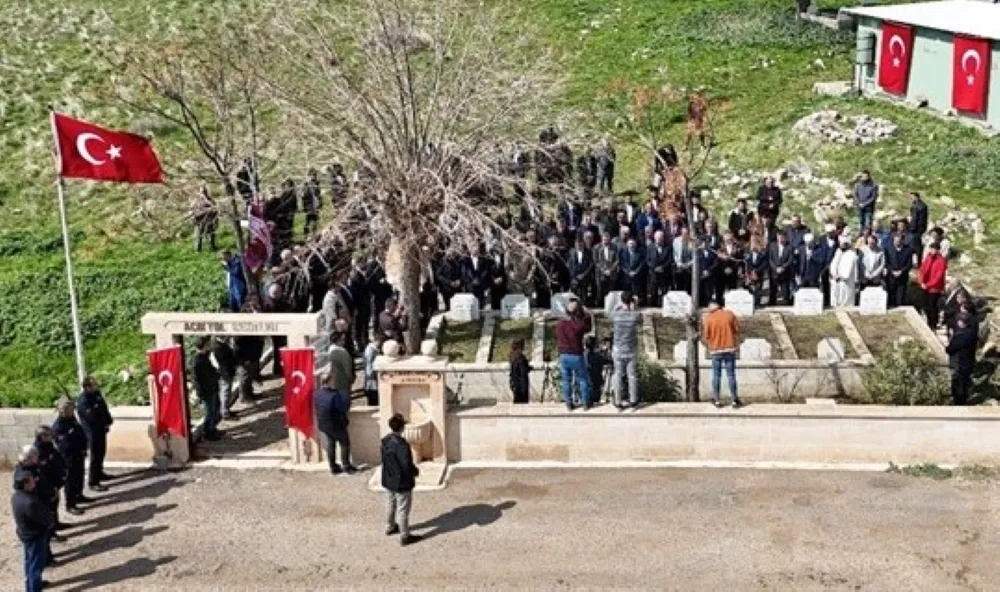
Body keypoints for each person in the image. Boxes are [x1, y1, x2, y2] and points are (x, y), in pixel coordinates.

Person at [381, 413, 422, 546]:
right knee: (403, 509)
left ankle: (390, 527)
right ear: (402, 427)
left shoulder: (385, 440)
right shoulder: (402, 445)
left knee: (390, 504)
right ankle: (405, 536)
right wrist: (414, 472)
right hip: (401, 482)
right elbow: (406, 465)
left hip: (389, 479)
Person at [12, 465, 53, 592]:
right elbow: (43, 518)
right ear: (25, 484)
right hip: (35, 536)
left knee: (29, 562)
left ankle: (30, 585)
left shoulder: (16, 496)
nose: (34, 481)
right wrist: (50, 521)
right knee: (36, 566)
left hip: (25, 535)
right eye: (31, 480)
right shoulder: (30, 502)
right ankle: (34, 588)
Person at [314, 372, 356, 475]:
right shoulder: (334, 395)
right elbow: (343, 407)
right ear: (330, 381)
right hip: (336, 424)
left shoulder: (317, 394)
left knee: (331, 444)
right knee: (344, 444)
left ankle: (333, 467)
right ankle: (346, 465)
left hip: (324, 424)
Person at [555, 297, 593, 411]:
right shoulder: (578, 326)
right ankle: (585, 402)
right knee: (582, 379)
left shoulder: (559, 324)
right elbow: (588, 327)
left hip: (563, 355)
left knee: (566, 380)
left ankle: (568, 403)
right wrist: (587, 312)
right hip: (576, 354)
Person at [702, 301, 741, 408]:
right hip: (730, 348)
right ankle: (734, 400)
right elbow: (736, 330)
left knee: (716, 375)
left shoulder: (708, 318)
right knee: (731, 374)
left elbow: (707, 335)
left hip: (715, 350)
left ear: (711, 307)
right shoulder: (729, 314)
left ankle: (717, 400)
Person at [76, 377, 113, 492]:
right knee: (95, 456)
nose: (97, 386)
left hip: (101, 429)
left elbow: (103, 408)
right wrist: (103, 423)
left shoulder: (96, 394)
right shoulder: (84, 400)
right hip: (92, 432)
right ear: (87, 387)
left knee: (101, 452)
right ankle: (93, 482)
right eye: (94, 384)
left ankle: (100, 473)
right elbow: (92, 417)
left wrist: (108, 421)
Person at [52, 399, 87, 516]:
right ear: (63, 411)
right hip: (68, 457)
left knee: (79, 476)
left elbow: (80, 433)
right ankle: (70, 504)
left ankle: (79, 495)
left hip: (78, 455)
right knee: (70, 481)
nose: (73, 411)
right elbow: (64, 444)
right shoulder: (58, 427)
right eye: (70, 410)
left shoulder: (72, 420)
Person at [609, 292, 641, 410]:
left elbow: (610, 314)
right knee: (632, 375)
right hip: (631, 350)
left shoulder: (616, 315)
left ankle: (618, 400)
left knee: (618, 375)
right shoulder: (634, 316)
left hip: (618, 349)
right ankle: (633, 400)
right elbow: (640, 318)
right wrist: (634, 307)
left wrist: (620, 305)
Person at [193, 336, 223, 441]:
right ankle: (208, 433)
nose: (210, 346)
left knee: (214, 410)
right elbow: (200, 379)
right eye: (208, 344)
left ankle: (212, 428)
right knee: (209, 412)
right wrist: (216, 374)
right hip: (207, 391)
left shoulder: (205, 357)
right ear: (205, 346)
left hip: (212, 388)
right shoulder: (199, 362)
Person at [945, 313, 977, 405]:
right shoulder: (972, 332)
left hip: (959, 363)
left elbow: (950, 349)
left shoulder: (961, 335)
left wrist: (951, 339)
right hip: (968, 361)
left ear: (961, 322)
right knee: (965, 383)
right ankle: (964, 399)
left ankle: (959, 402)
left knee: (958, 384)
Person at [918, 242, 948, 330]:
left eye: (934, 249)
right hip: (925, 286)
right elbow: (922, 269)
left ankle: (933, 324)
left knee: (933, 306)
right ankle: (928, 322)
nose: (932, 251)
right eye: (931, 249)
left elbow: (939, 276)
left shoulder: (941, 260)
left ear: (938, 250)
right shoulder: (928, 257)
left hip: (935, 288)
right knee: (926, 306)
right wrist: (921, 282)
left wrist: (928, 285)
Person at [211, 336, 239, 420]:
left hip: (227, 371)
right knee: (225, 393)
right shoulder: (219, 347)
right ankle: (225, 413)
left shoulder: (221, 345)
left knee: (227, 392)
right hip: (225, 373)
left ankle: (227, 409)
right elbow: (226, 360)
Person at [885, 232, 914, 307]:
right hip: (891, 277)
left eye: (899, 241)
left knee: (900, 299)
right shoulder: (888, 248)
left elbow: (909, 264)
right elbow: (886, 262)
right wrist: (892, 271)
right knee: (891, 297)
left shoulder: (908, 250)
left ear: (902, 240)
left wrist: (901, 271)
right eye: (895, 241)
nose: (897, 242)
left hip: (902, 277)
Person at [829, 237, 859, 308]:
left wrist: (841, 276)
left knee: (845, 300)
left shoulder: (852, 254)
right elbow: (833, 264)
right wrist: (834, 274)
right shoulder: (838, 252)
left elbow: (849, 268)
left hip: (846, 281)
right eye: (841, 244)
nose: (842, 246)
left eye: (844, 244)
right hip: (836, 279)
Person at [768, 232, 794, 305]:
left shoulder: (790, 246)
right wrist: (775, 268)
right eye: (779, 237)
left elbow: (790, 259)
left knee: (785, 291)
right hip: (774, 271)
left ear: (785, 238)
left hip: (785, 271)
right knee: (773, 289)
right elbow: (770, 259)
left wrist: (783, 267)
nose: (780, 239)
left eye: (782, 238)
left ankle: (787, 302)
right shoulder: (772, 245)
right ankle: (772, 303)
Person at [508, 339, 532, 404]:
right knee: (522, 400)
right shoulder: (520, 357)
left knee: (517, 399)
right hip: (521, 383)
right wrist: (529, 368)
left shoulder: (512, 355)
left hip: (514, 381)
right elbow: (523, 370)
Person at [909, 192, 929, 264]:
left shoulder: (916, 206)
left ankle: (918, 263)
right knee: (918, 245)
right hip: (921, 228)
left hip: (916, 228)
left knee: (915, 246)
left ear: (916, 197)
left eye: (912, 197)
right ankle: (918, 262)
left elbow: (915, 218)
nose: (911, 198)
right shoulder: (924, 205)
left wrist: (911, 228)